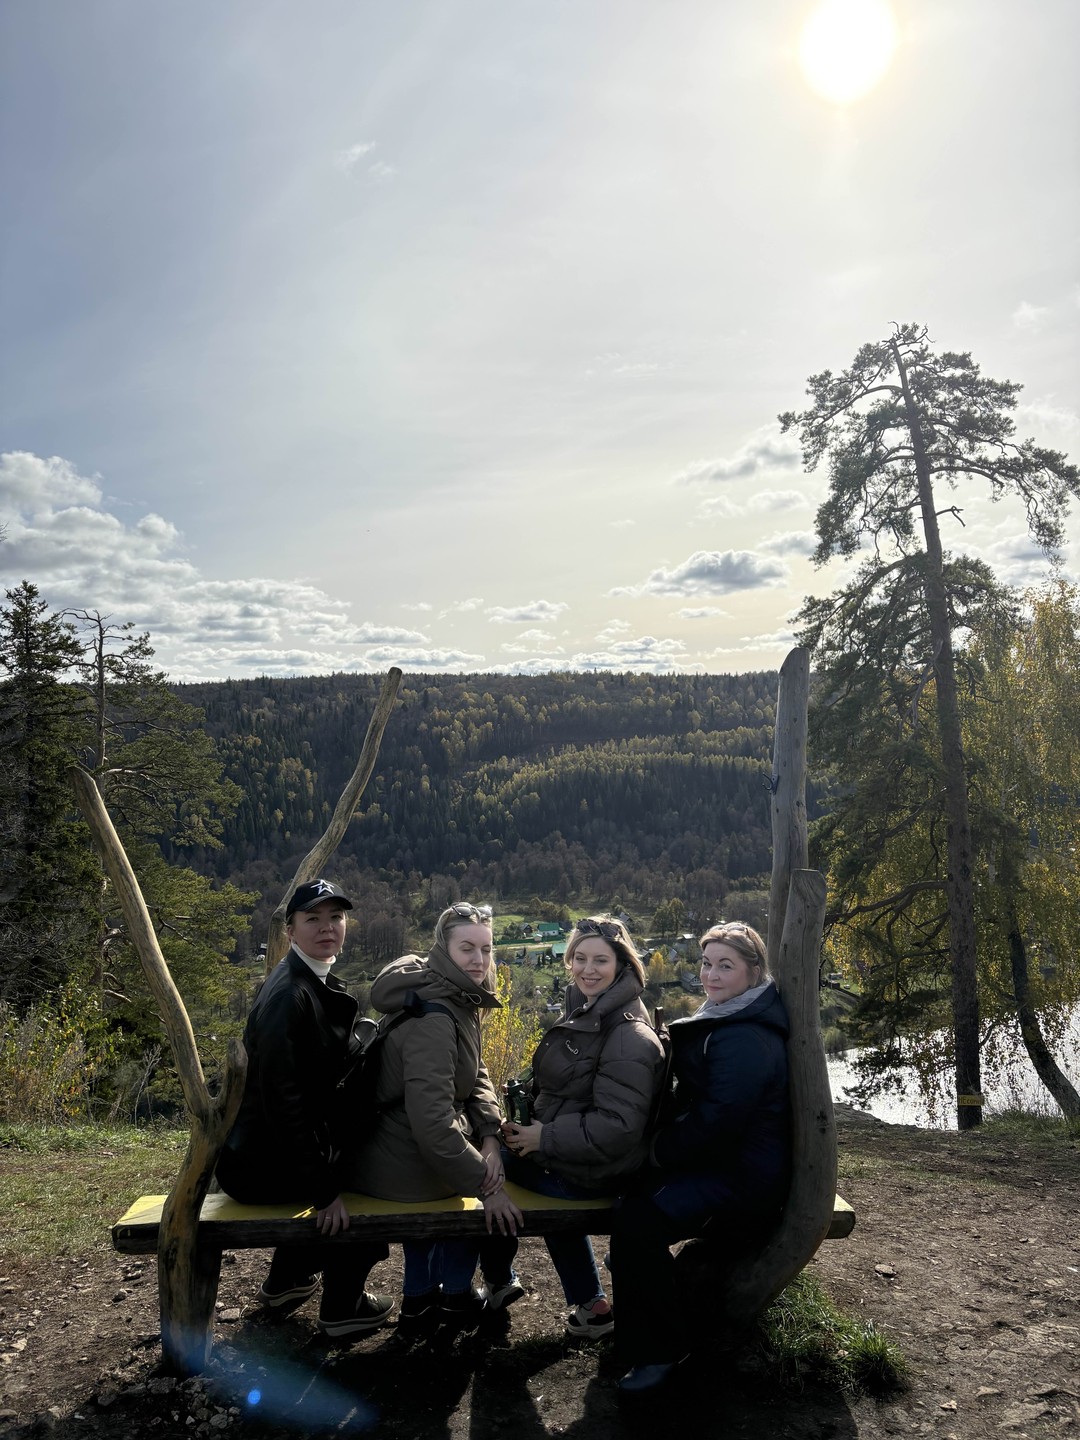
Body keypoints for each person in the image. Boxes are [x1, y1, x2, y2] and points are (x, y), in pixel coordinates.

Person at [609, 920, 791, 1393]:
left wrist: (657, 1151)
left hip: (743, 1182)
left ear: (754, 971)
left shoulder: (746, 1037)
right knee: (628, 1207)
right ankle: (647, 1319)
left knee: (636, 1226)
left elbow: (718, 1122)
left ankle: (659, 1353)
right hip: (729, 1166)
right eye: (707, 964)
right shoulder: (732, 1016)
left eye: (725, 966)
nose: (710, 975)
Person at [216, 880, 394, 1338]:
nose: (327, 927)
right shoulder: (290, 995)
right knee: (375, 1187)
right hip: (261, 1164)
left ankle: (287, 1281)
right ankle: (343, 1307)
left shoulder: (308, 978)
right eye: (312, 919)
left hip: (262, 1153)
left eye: (336, 917)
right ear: (290, 930)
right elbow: (283, 1105)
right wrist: (323, 1191)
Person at [481, 916, 667, 1339]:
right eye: (579, 958)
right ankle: (592, 1307)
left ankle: (495, 1281)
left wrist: (542, 1137)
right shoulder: (590, 1012)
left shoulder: (627, 1034)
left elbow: (618, 1126)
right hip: (581, 1158)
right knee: (503, 1159)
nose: (587, 969)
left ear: (622, 965)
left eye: (600, 960)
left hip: (595, 1171)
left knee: (485, 1169)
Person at [345, 902, 522, 1332]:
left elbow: (474, 1072)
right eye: (467, 949)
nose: (479, 960)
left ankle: (423, 1298)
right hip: (401, 1163)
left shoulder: (453, 996)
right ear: (443, 949)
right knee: (486, 1187)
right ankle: (455, 1295)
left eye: (486, 949)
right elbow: (433, 1125)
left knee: (483, 1162)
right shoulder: (436, 1018)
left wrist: (490, 1134)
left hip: (398, 1150)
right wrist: (487, 1186)